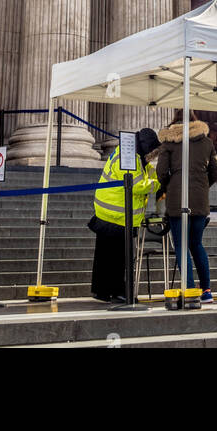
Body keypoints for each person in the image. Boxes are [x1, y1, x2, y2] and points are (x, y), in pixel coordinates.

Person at [157, 111, 217, 302]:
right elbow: (216, 172)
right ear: (195, 121)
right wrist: (202, 185)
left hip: (177, 199)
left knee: (181, 246)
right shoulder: (207, 142)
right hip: (200, 200)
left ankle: (191, 290)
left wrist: (169, 184)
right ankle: (207, 290)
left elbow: (161, 171)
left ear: (174, 121)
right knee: (197, 244)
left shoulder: (170, 141)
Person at [91, 127, 160, 304]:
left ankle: (102, 290)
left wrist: (154, 172)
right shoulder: (130, 157)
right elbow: (137, 185)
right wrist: (157, 184)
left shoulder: (127, 153)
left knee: (105, 254)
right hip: (117, 212)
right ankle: (119, 291)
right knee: (119, 255)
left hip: (109, 210)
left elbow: (142, 175)